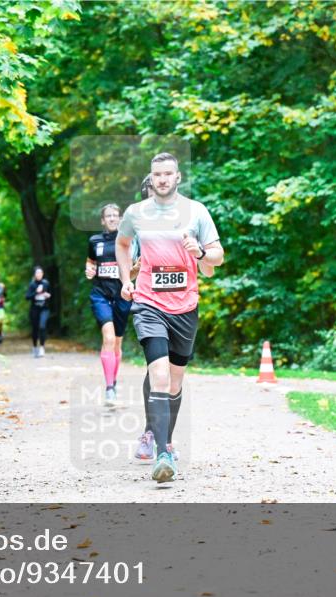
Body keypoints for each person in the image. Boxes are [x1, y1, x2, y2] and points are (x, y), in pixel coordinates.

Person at [116, 153, 224, 483]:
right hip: (149, 303)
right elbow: (122, 244)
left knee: (175, 381)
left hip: (185, 306)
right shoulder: (136, 213)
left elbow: (217, 257)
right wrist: (125, 280)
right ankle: (163, 453)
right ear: (151, 178)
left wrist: (200, 252)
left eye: (168, 174)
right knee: (159, 375)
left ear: (177, 177)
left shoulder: (197, 212)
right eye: (157, 174)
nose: (162, 179)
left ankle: (166, 440)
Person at [85, 204, 139, 403]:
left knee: (117, 343)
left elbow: (131, 273)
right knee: (108, 338)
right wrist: (89, 270)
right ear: (102, 220)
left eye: (116, 215)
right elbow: (90, 262)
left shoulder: (128, 241)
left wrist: (136, 269)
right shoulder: (94, 241)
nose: (112, 219)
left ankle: (113, 381)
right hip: (100, 294)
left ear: (121, 218)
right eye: (108, 216)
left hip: (122, 296)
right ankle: (109, 388)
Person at [25, 266, 52, 357]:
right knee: (35, 329)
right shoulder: (32, 284)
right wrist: (36, 292)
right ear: (35, 275)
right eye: (37, 273)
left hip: (44, 308)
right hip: (34, 309)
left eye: (40, 273)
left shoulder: (46, 283)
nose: (39, 275)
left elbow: (51, 294)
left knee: (42, 326)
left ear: (42, 274)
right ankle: (34, 347)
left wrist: (48, 295)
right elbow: (27, 297)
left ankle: (42, 347)